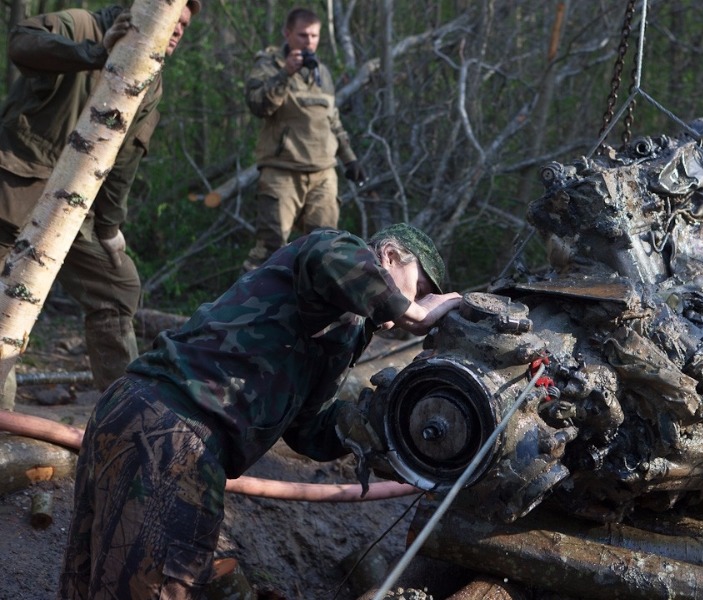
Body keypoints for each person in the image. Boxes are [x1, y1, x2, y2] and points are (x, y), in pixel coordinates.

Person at [58, 223, 462, 598]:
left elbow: (308, 430)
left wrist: (385, 418)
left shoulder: (346, 330)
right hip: (175, 431)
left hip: (142, 413)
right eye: (419, 288)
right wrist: (415, 312)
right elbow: (328, 256)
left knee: (89, 580)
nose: (415, 303)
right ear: (389, 255)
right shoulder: (338, 252)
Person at [0, 1, 202, 408]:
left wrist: (109, 229)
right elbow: (22, 43)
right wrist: (94, 54)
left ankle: (124, 413)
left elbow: (124, 160)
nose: (177, 31)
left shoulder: (150, 76)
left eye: (183, 24)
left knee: (117, 285)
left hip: (71, 206)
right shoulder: (80, 24)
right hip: (14, 188)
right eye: (172, 19)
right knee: (7, 305)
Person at [242, 7, 365, 273]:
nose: (309, 42)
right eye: (302, 35)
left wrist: (350, 159)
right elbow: (258, 106)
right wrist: (285, 73)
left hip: (323, 173)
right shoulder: (268, 65)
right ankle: (242, 313)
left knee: (325, 250)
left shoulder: (322, 72)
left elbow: (332, 120)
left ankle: (317, 313)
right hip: (282, 172)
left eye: (314, 36)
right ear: (287, 34)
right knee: (269, 250)